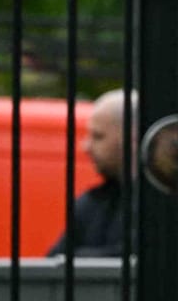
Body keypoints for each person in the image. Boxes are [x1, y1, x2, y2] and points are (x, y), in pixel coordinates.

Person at [50, 88, 129, 257]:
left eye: (98, 136)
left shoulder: (158, 205)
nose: (86, 147)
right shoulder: (90, 203)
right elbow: (52, 263)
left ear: (132, 137)